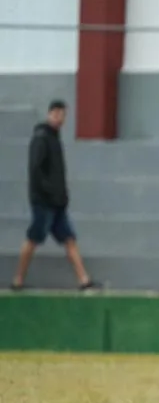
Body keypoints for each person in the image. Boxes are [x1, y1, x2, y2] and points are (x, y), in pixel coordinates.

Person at [10, 99, 96, 291]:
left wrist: (62, 196)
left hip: (57, 204)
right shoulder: (41, 138)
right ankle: (18, 280)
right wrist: (49, 193)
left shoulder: (55, 139)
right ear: (49, 114)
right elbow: (36, 170)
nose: (59, 118)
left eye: (62, 115)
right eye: (56, 114)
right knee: (33, 239)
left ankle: (84, 280)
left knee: (69, 239)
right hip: (44, 202)